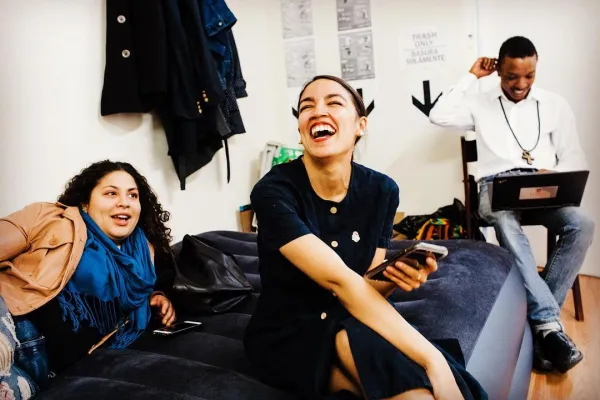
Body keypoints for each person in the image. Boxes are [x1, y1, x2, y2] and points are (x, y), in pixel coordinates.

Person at [244, 75, 487, 400]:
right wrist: (434, 361)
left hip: (352, 316)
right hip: (288, 332)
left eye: (333, 102)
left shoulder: (382, 190)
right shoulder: (273, 192)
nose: (318, 111)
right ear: (301, 130)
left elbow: (366, 286)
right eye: (306, 107)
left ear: (360, 125)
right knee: (419, 380)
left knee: (415, 387)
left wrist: (395, 277)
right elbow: (340, 282)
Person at [429, 36, 595, 373]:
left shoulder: (555, 104)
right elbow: (438, 115)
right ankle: (549, 327)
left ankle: (542, 326)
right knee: (504, 221)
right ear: (498, 71)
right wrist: (471, 76)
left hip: (542, 186)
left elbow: (575, 156)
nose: (520, 84)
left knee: (583, 224)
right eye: (511, 76)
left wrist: (554, 173)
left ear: (536, 68)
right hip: (497, 187)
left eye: (529, 75)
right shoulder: (479, 102)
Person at [0, 160, 177, 385]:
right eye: (111, 193)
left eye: (133, 195)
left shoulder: (145, 252)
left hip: (57, 375)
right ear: (85, 202)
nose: (124, 202)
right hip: (19, 339)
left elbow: (126, 302)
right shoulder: (50, 219)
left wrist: (154, 297)